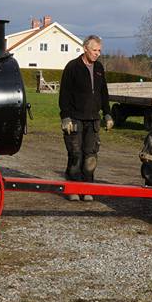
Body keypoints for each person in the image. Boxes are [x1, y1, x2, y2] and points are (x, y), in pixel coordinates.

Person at [58, 35, 113, 201]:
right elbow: (64, 94)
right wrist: (65, 117)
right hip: (74, 118)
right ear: (85, 49)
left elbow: (104, 92)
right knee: (75, 154)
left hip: (93, 119)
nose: (97, 54)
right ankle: (73, 188)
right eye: (94, 50)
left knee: (91, 156)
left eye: (99, 51)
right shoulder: (72, 67)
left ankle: (87, 188)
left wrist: (107, 113)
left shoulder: (99, 68)